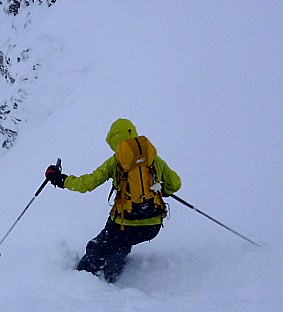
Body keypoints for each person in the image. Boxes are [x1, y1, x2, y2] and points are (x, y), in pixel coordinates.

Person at [45, 118, 181, 283]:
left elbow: (86, 184)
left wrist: (60, 179)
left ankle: (83, 282)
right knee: (120, 244)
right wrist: (159, 189)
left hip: (125, 223)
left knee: (97, 246)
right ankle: (113, 273)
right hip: (152, 225)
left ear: (115, 139)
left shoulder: (116, 161)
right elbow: (175, 184)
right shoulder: (153, 158)